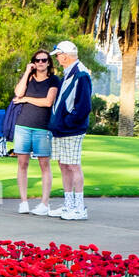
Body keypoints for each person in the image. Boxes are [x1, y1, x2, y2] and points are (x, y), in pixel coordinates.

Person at [48, 41, 92, 220]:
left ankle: (79, 208)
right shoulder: (69, 73)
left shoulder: (81, 74)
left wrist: (68, 121)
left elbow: (83, 106)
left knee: (73, 166)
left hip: (71, 130)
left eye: (58, 55)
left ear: (65, 55)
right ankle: (69, 204)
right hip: (61, 129)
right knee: (64, 165)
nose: (57, 59)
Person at [11, 50, 58, 216]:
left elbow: (47, 102)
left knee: (44, 165)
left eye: (44, 60)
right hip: (23, 125)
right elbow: (18, 93)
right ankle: (23, 202)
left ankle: (44, 203)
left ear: (49, 63)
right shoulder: (29, 78)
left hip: (42, 127)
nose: (40, 63)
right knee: (22, 164)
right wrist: (26, 72)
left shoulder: (53, 80)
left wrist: (26, 100)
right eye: (37, 60)